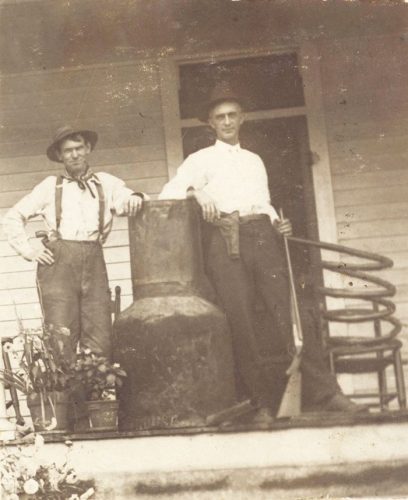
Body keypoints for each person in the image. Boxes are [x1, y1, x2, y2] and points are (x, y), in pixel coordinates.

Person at [159, 89, 367, 424]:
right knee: (240, 322)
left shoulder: (255, 160)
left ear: (242, 118)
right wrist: (196, 192)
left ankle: (328, 394)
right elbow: (167, 192)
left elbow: (263, 201)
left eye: (232, 115)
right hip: (227, 242)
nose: (227, 121)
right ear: (211, 124)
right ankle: (260, 404)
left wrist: (276, 221)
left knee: (291, 315)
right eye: (220, 117)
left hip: (264, 239)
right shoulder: (200, 160)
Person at [3, 125, 146, 364]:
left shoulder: (106, 183)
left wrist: (135, 198)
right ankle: (67, 400)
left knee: (99, 337)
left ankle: (98, 399)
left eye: (79, 148)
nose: (75, 154)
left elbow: (129, 199)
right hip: (58, 265)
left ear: (88, 148)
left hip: (93, 260)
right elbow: (13, 217)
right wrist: (30, 250)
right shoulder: (50, 186)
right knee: (60, 336)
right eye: (68, 150)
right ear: (59, 156)